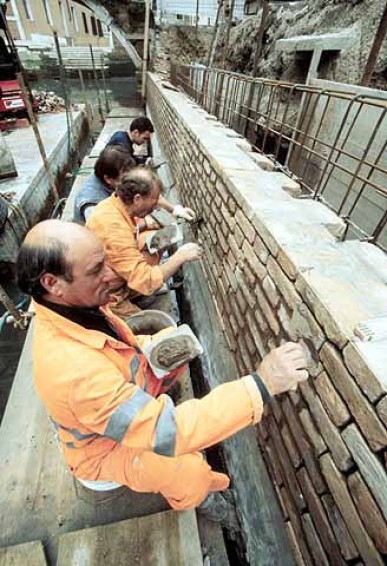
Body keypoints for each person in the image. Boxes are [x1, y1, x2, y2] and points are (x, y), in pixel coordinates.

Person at [17, 219, 308, 523]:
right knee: (188, 472)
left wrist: (154, 346)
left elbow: (116, 346)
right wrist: (261, 385)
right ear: (53, 283)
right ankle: (202, 501)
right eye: (95, 270)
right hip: (103, 452)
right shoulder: (73, 371)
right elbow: (169, 431)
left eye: (104, 262)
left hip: (111, 418)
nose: (111, 274)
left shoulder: (72, 308)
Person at [86, 168, 198, 317]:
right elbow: (146, 281)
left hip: (113, 271)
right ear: (138, 199)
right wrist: (180, 257)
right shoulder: (113, 228)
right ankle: (116, 307)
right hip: (105, 294)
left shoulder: (116, 204)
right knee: (152, 330)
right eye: (153, 201)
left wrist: (174, 210)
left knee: (157, 238)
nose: (155, 207)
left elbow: (156, 200)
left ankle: (131, 289)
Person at [73, 146, 135, 224]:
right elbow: (104, 230)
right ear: (108, 179)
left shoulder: (103, 176)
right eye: (124, 178)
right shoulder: (92, 204)